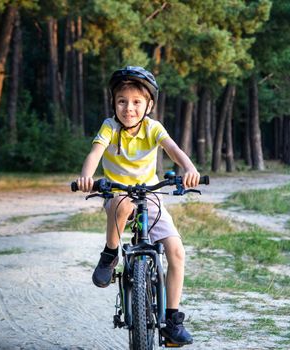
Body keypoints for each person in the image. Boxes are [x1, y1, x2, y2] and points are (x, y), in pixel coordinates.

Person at [75, 66, 199, 345]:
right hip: (117, 192)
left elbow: (175, 151)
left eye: (136, 102)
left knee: (176, 252)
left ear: (149, 105)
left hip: (150, 195)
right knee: (121, 204)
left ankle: (172, 320)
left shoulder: (154, 128)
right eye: (122, 101)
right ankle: (109, 255)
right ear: (114, 103)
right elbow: (95, 153)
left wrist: (189, 168)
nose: (128, 108)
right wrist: (87, 176)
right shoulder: (109, 127)